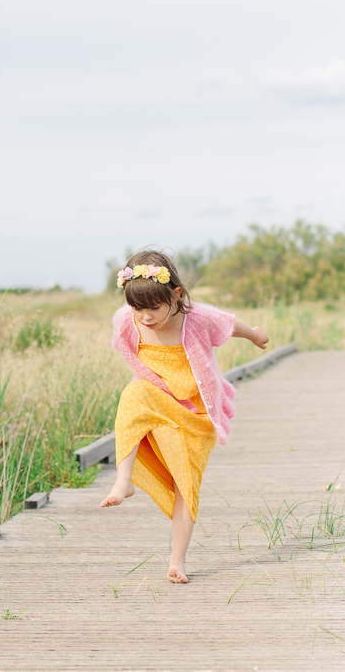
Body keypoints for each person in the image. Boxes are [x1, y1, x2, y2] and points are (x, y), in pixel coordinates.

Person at [100, 249, 269, 584]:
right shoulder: (127, 321)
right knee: (133, 395)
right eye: (138, 308)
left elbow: (230, 324)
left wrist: (255, 334)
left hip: (196, 413)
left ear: (175, 295)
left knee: (184, 483)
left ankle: (177, 561)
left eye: (154, 308)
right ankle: (124, 480)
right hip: (160, 400)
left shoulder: (197, 318)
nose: (145, 317)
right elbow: (128, 352)